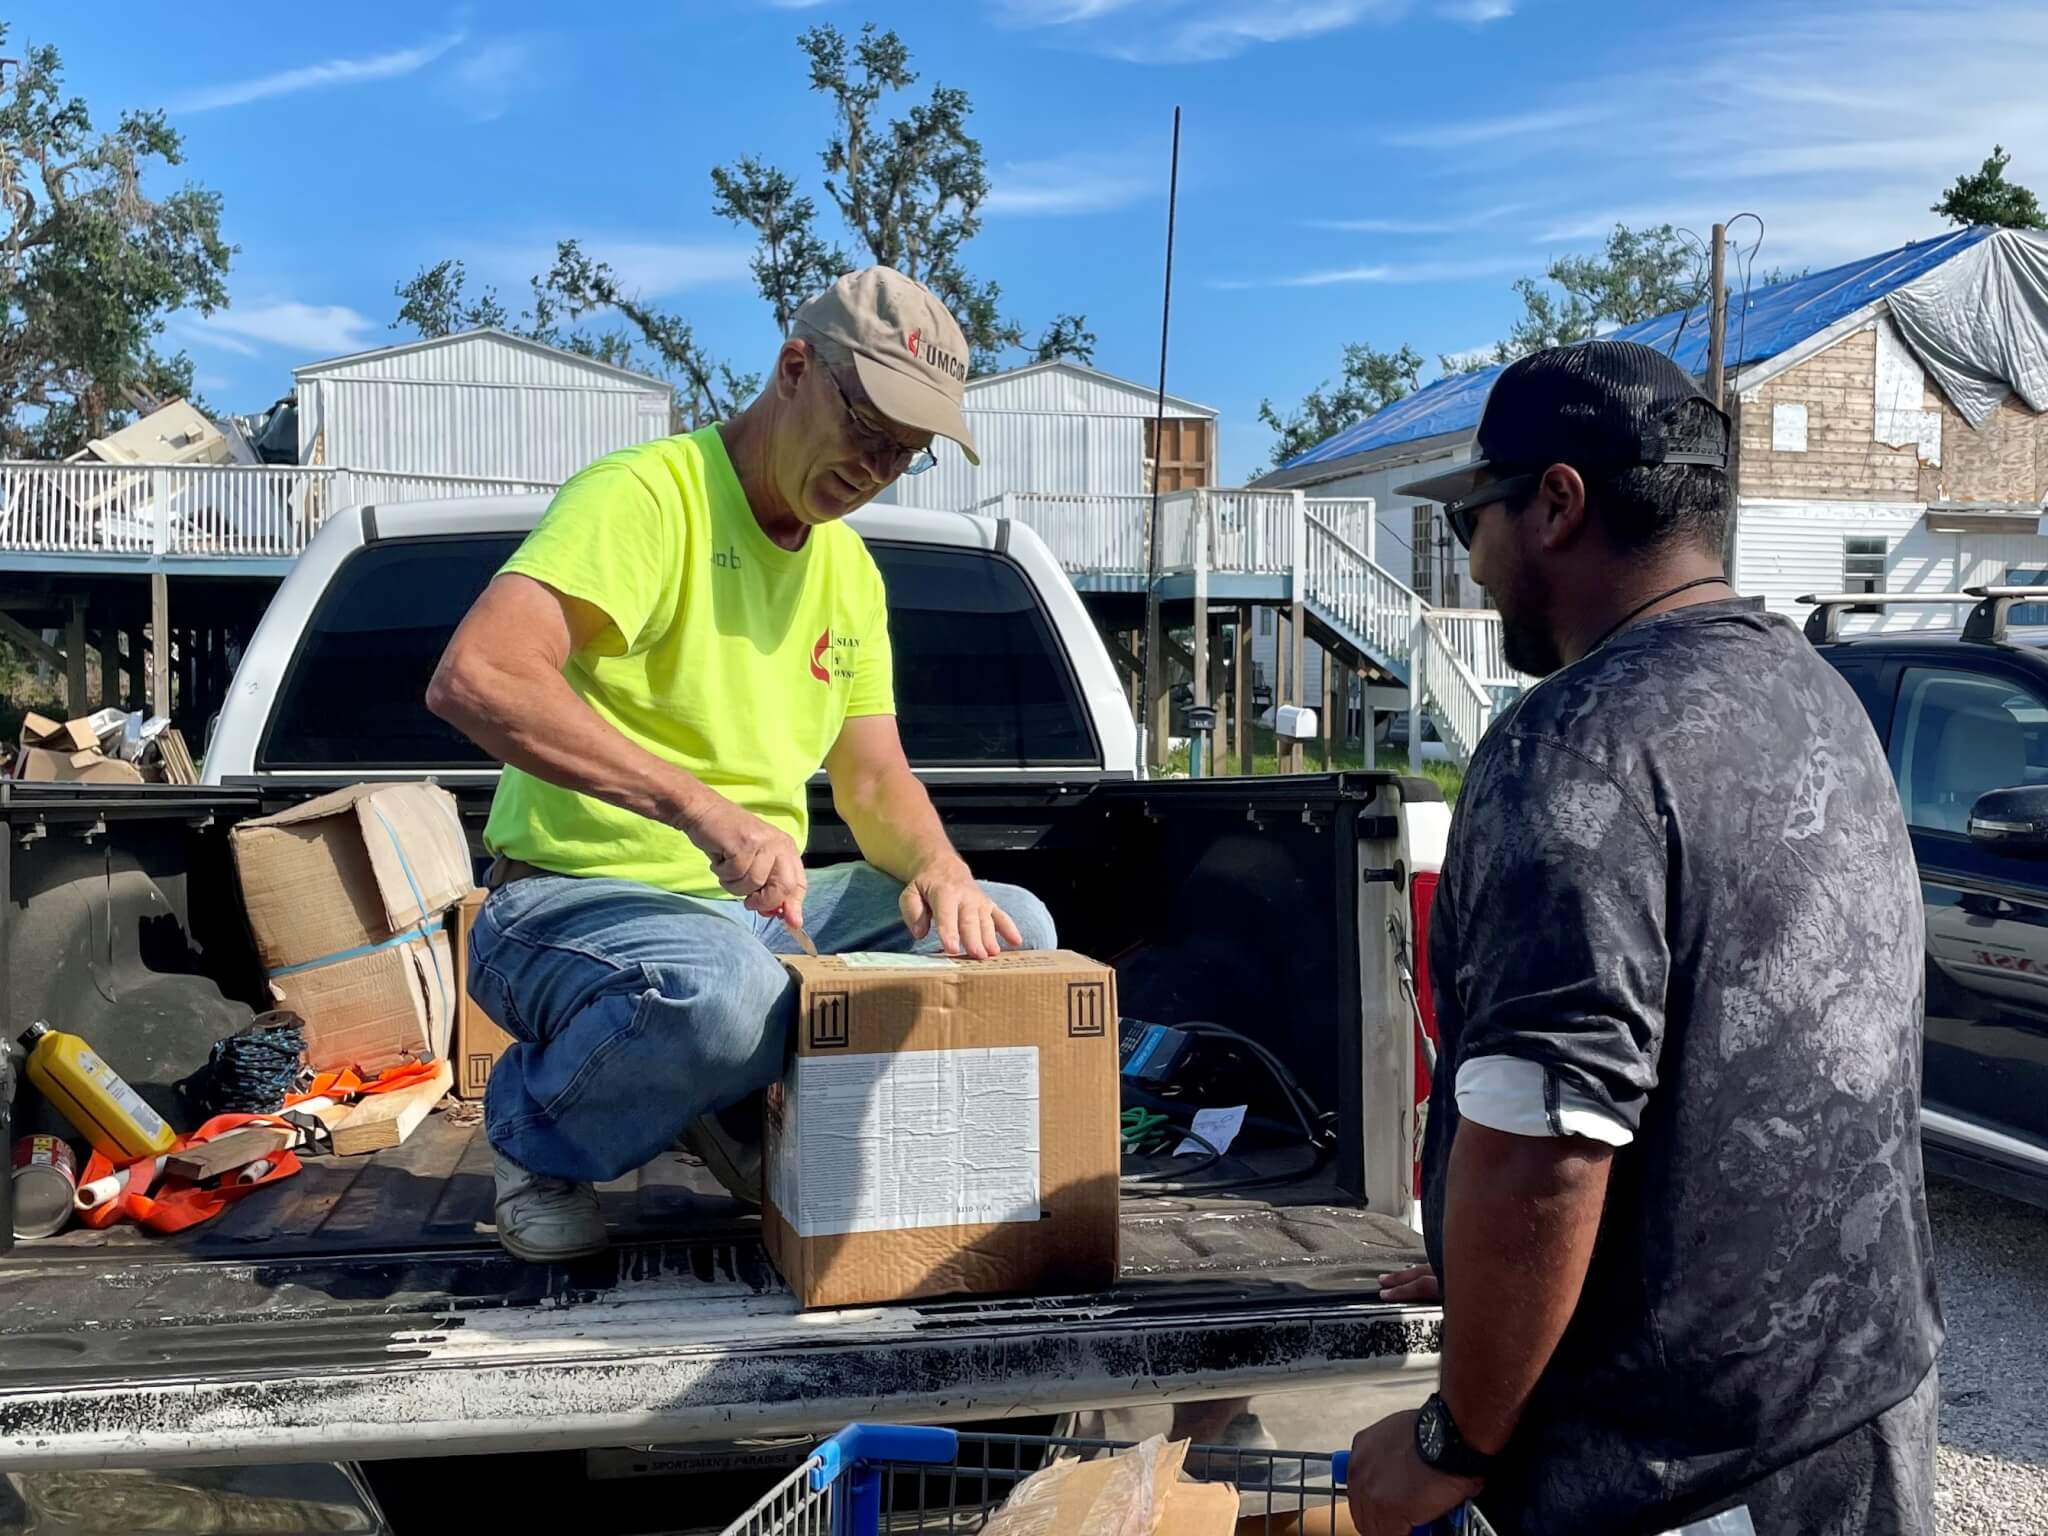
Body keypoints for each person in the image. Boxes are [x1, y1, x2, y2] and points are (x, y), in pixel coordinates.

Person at [1343, 341, 1941, 1536]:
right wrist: (1492, 1278)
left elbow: (1545, 1146)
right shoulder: (1815, 696)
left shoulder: (1573, 746)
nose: (1472, 561)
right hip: (1860, 1414)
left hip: (1672, 1472)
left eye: (1471, 517)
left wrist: (1450, 1439)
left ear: (1555, 504)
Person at [426, 267, 1057, 1264]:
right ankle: (532, 1130)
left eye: (905, 452)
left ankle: (730, 1101)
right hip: (567, 903)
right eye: (867, 427)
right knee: (724, 993)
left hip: (759, 917)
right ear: (794, 367)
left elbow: (873, 778)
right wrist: (703, 811)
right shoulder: (647, 497)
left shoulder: (846, 570)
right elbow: (479, 676)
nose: (875, 468)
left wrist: (941, 869)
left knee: (1013, 931)